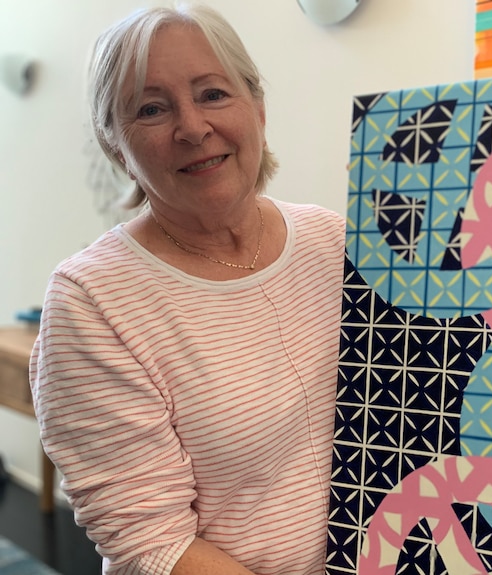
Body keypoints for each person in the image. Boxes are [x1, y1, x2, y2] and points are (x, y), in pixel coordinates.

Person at [29, 5, 345, 575]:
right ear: (116, 147)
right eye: (151, 109)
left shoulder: (336, 240)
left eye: (214, 94)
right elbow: (152, 544)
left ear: (259, 108)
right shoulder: (92, 300)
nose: (193, 127)